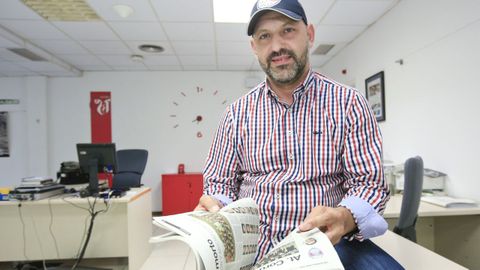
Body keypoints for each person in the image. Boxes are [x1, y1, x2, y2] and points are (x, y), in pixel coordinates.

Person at [196, 0, 403, 268]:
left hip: (330, 242)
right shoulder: (236, 114)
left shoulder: (349, 103)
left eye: (288, 31)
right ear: (254, 47)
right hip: (256, 245)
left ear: (310, 35)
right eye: (264, 36)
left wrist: (345, 216)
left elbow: (370, 183)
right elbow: (219, 184)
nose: (277, 46)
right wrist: (216, 205)